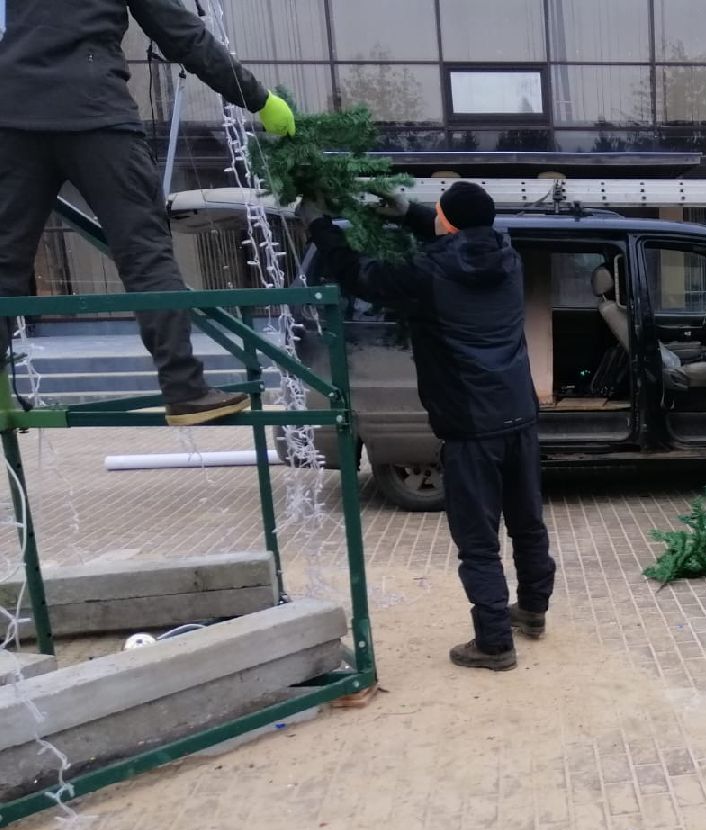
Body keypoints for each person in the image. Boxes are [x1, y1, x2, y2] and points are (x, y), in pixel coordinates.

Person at [0, 0, 297, 425]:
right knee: (145, 253)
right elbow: (182, 35)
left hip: (12, 119)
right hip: (95, 115)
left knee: (4, 260)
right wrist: (259, 99)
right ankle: (185, 389)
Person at [301, 182, 556, 671]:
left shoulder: (426, 271)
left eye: (437, 214)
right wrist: (412, 213)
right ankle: (533, 610)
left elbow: (359, 275)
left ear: (447, 222)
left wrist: (319, 227)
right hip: (519, 415)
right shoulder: (508, 256)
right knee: (527, 523)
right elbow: (464, 236)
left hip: (469, 425)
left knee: (477, 540)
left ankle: (494, 644)